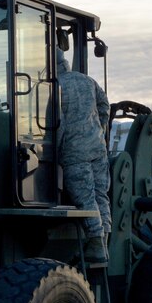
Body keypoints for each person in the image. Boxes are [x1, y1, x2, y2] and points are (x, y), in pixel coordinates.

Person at [57, 48, 111, 263]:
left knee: (85, 197)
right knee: (100, 195)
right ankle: (104, 241)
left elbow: (56, 124)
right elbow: (104, 106)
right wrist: (100, 129)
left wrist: (56, 149)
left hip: (74, 150)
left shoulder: (54, 86)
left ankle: (96, 243)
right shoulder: (87, 81)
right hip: (97, 148)